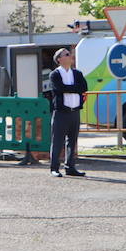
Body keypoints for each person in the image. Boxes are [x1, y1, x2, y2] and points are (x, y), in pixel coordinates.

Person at [47, 48, 88, 177]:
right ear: (59, 59)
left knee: (72, 141)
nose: (70, 56)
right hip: (61, 112)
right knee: (57, 141)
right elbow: (59, 89)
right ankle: (54, 168)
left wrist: (70, 89)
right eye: (67, 54)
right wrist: (74, 89)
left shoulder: (77, 73)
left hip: (74, 111)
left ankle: (70, 167)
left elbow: (84, 87)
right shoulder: (55, 74)